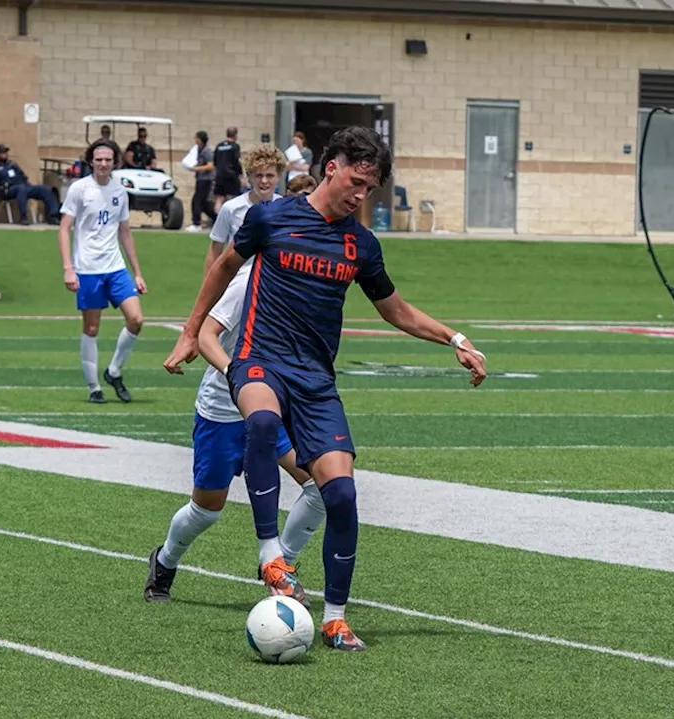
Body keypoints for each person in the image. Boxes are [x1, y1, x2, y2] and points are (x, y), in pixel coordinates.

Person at [162, 126, 488, 652]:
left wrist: (454, 337)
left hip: (315, 381)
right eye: (356, 182)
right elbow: (223, 267)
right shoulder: (270, 218)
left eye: (371, 188)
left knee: (340, 491)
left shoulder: (360, 244)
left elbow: (395, 310)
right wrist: (188, 330)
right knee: (262, 423)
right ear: (330, 167)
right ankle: (271, 553)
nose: (361, 195)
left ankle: (335, 618)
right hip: (260, 361)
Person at [145, 148, 325, 604]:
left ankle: (277, 563)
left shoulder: (305, 285)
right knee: (207, 511)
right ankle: (164, 561)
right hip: (225, 410)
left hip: (270, 411)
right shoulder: (247, 281)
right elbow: (208, 335)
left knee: (320, 487)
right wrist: (234, 373)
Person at [57, 140, 146, 404]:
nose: (103, 164)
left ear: (115, 161)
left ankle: (114, 370)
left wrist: (138, 272)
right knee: (92, 328)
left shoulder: (120, 190)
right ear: (91, 161)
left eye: (108, 159)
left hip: (116, 268)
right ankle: (93, 386)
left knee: (136, 320)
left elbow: (125, 232)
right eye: (98, 159)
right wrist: (68, 269)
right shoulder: (80, 189)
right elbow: (64, 228)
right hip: (87, 269)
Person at [0, 144, 61, 225]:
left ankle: (53, 216)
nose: (5, 154)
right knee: (21, 189)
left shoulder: (12, 165)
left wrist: (33, 188)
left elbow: (25, 178)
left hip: (24, 187)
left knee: (46, 189)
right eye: (2, 152)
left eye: (6, 152)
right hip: (8, 191)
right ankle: (23, 216)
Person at [186, 131, 216, 232]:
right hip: (200, 179)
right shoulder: (198, 150)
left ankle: (196, 223)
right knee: (204, 204)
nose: (195, 140)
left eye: (196, 138)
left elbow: (210, 165)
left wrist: (196, 169)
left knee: (196, 201)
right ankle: (217, 219)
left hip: (206, 180)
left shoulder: (206, 151)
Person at [212, 127, 243, 215]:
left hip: (219, 175)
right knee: (233, 198)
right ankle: (231, 219)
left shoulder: (219, 146)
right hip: (231, 175)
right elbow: (236, 161)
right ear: (235, 135)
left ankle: (217, 220)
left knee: (218, 199)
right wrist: (241, 176)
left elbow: (215, 162)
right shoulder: (235, 146)